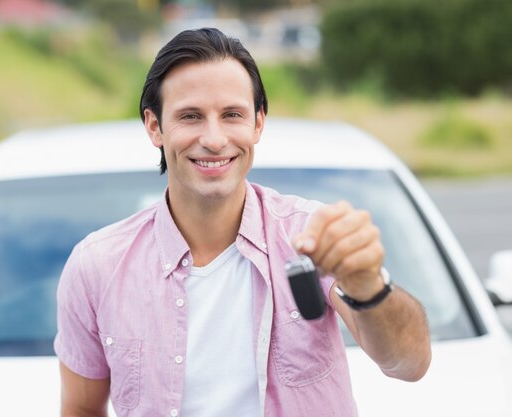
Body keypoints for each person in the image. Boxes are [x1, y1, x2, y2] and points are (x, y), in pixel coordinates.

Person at [54, 28, 431, 417]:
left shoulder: (310, 235)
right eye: (190, 116)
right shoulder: (96, 266)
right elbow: (81, 409)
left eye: (232, 115)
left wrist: (369, 286)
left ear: (258, 123)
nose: (215, 139)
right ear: (154, 126)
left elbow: (409, 363)